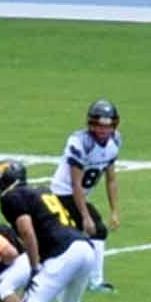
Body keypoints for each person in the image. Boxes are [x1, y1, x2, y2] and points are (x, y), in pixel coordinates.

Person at [0, 158, 102, 302]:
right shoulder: (41, 191)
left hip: (64, 251)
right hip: (84, 248)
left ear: (7, 180)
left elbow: (26, 231)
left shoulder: (12, 197)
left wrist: (34, 267)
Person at [53, 99, 122, 289]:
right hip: (63, 192)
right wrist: (85, 216)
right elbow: (75, 184)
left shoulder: (115, 141)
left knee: (83, 234)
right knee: (95, 230)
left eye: (107, 126)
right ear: (91, 124)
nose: (102, 130)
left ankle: (88, 279)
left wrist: (115, 210)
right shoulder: (80, 142)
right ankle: (94, 281)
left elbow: (111, 179)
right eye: (98, 125)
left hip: (79, 194)